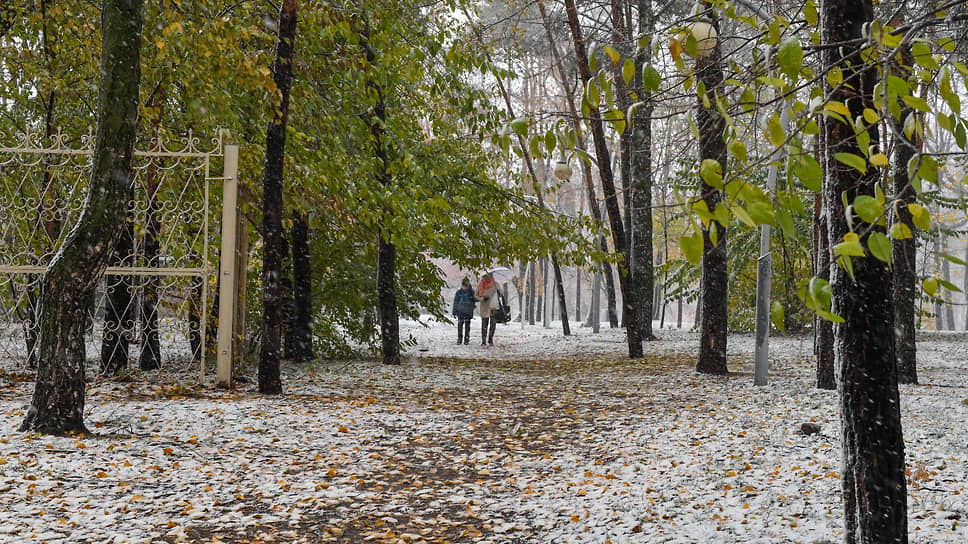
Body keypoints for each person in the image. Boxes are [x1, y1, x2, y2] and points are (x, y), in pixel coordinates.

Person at [451, 278, 475, 345]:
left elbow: (475, 300)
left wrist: (472, 299)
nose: (465, 288)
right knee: (460, 326)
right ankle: (460, 338)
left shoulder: (471, 292)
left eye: (466, 286)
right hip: (460, 311)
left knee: (467, 326)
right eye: (464, 286)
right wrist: (454, 311)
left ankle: (466, 339)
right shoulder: (459, 292)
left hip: (468, 311)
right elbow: (456, 302)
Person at [476, 273, 497, 346]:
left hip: (493, 306)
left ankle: (490, 339)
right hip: (484, 306)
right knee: (484, 324)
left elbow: (501, 293)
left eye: (489, 276)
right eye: (486, 277)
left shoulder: (495, 284)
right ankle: (483, 341)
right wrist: (482, 298)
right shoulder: (481, 285)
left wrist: (498, 291)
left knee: (493, 324)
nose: (488, 278)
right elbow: (476, 295)